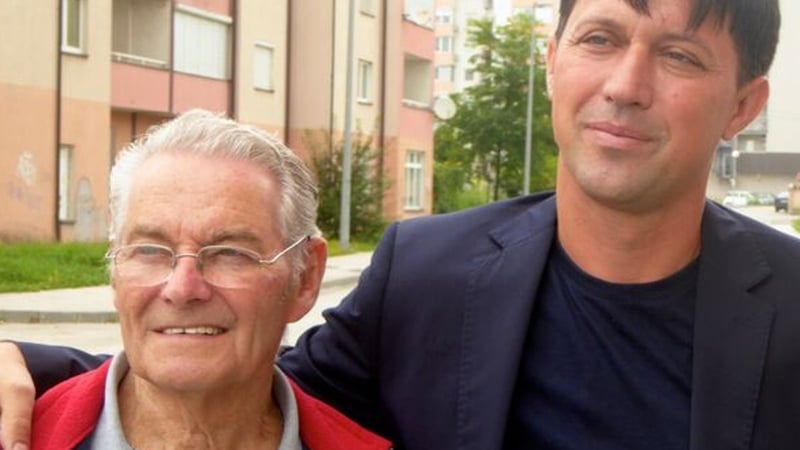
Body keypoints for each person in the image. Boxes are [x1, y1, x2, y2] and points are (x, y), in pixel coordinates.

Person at [2, 0, 799, 448]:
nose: (626, 85)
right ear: (553, 61)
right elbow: (238, 377)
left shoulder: (791, 309)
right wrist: (23, 363)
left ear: (742, 107)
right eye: (601, 38)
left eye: (680, 57)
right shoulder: (429, 274)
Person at [0, 109, 392, 449]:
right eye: (150, 251)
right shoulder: (19, 432)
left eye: (231, 253)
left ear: (305, 278)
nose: (182, 288)